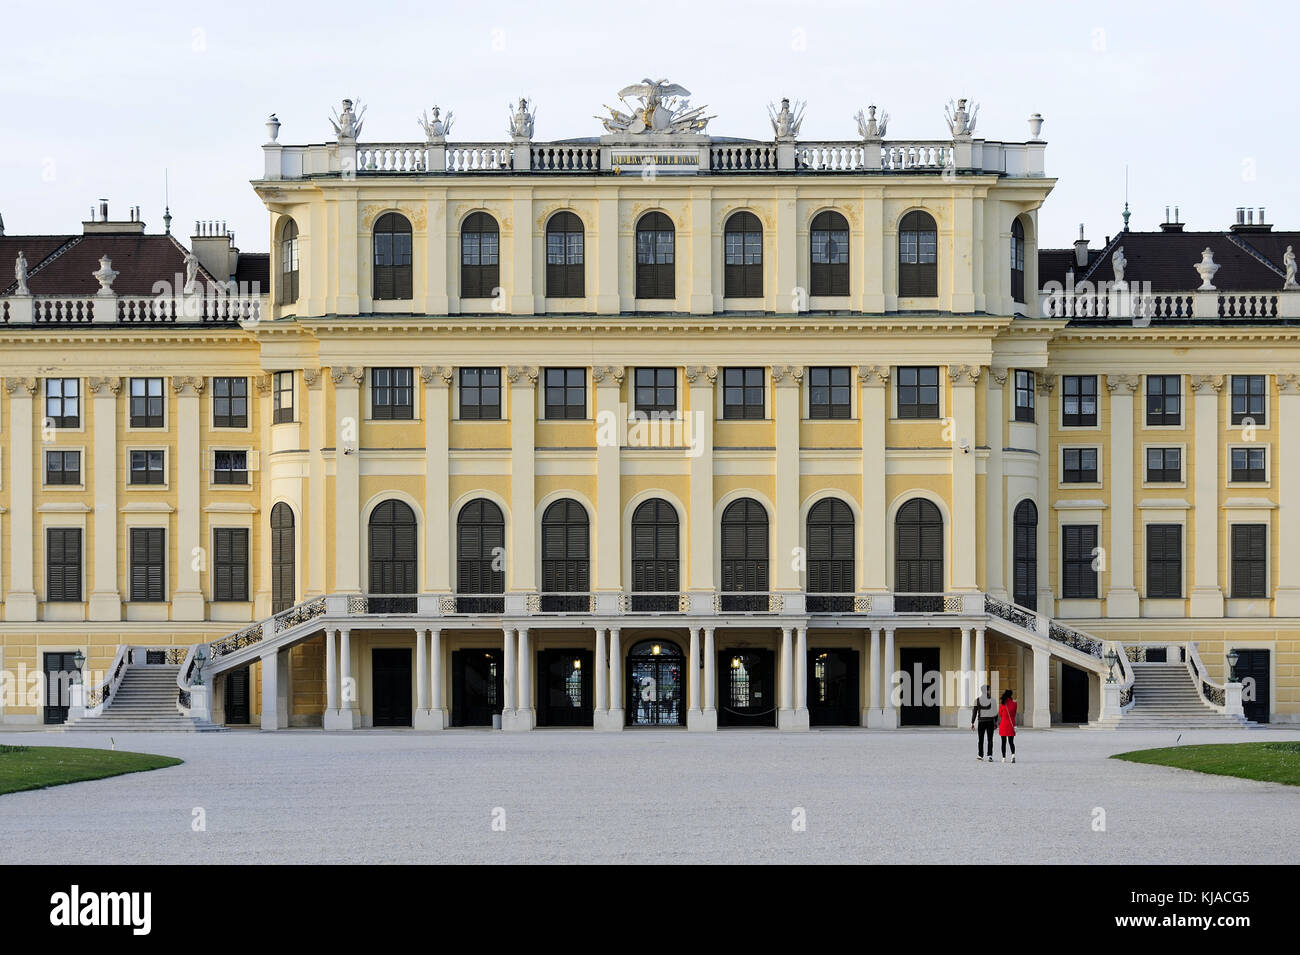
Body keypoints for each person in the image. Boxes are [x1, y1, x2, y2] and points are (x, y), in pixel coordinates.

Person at [970, 685, 997, 762]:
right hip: (990, 722)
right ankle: (990, 756)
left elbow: (974, 712)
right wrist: (995, 723)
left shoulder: (977, 700)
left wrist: (972, 722)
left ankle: (980, 755)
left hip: (981, 721)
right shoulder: (992, 700)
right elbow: (995, 713)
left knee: (980, 739)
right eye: (989, 690)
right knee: (990, 739)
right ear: (987, 690)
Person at [999, 689, 1018, 763]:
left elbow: (1000, 714)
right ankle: (1013, 755)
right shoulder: (1014, 704)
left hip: (1003, 724)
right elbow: (1014, 714)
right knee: (1011, 742)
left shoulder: (1003, 704)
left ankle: (1003, 758)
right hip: (1011, 724)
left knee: (1003, 742)